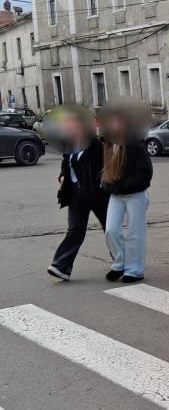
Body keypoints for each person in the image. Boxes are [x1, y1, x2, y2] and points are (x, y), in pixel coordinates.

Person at [47, 106, 109, 281]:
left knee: (110, 230)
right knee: (75, 230)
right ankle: (61, 266)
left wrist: (100, 184)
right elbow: (66, 164)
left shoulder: (97, 146)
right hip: (75, 194)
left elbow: (106, 168)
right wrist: (63, 176)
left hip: (98, 195)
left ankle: (124, 262)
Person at [101, 101, 153, 283]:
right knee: (111, 230)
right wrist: (107, 185)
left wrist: (123, 186)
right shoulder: (108, 143)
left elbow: (145, 173)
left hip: (135, 194)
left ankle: (134, 270)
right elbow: (104, 169)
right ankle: (120, 264)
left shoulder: (135, 144)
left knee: (134, 233)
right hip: (116, 195)